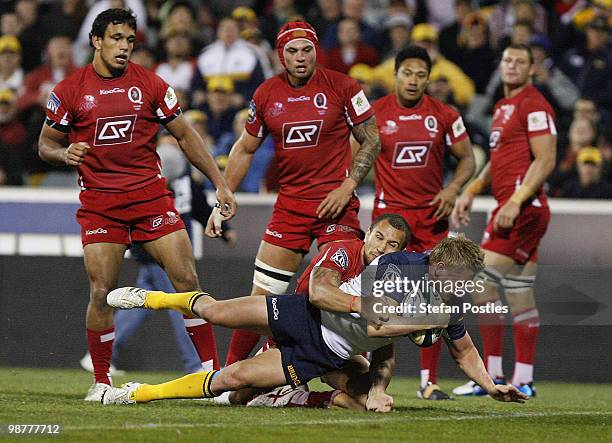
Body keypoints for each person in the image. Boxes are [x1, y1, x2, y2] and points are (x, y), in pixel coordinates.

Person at [37, 8, 236, 401]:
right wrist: (64, 155)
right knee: (101, 291)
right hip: (100, 204)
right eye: (116, 39)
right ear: (96, 41)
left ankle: (213, 378)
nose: (124, 47)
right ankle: (101, 381)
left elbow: (186, 135)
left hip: (150, 198)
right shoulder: (69, 91)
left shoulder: (150, 85)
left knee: (188, 282)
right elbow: (45, 144)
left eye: (130, 40)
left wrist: (220, 184)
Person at [102, 230, 528, 409]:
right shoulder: (401, 266)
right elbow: (378, 326)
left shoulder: (448, 300)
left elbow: (464, 347)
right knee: (215, 311)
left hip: (325, 351)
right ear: (436, 268)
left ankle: (138, 395)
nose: (462, 289)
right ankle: (151, 297)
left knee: (234, 379)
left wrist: (490, 386)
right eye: (457, 281)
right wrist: (420, 322)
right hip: (307, 313)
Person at [212, 21, 381, 367]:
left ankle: (361, 379)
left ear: (316, 51)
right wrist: (224, 194)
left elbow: (372, 138)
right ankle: (228, 376)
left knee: (338, 294)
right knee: (262, 297)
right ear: (280, 55)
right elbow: (245, 149)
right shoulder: (265, 94)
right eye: (292, 51)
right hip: (289, 209)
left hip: (338, 209)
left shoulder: (343, 87)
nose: (300, 57)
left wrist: (347, 186)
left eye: (307, 50)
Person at [369, 45, 475, 400]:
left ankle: (428, 381)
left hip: (432, 218)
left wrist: (453, 188)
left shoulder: (444, 114)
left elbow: (467, 160)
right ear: (395, 74)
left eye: (420, 74)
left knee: (437, 300)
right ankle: (373, 381)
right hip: (391, 222)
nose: (413, 80)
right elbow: (353, 158)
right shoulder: (374, 113)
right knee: (381, 301)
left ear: (428, 78)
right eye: (407, 73)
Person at [451, 44, 557, 398]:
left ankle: (492, 375)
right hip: (514, 206)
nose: (512, 66)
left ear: (531, 69)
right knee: (518, 293)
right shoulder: (502, 107)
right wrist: (472, 188)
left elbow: (545, 159)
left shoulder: (534, 105)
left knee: (480, 281)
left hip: (522, 209)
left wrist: (515, 200)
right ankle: (522, 378)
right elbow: (500, 160)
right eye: (507, 60)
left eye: (520, 61)